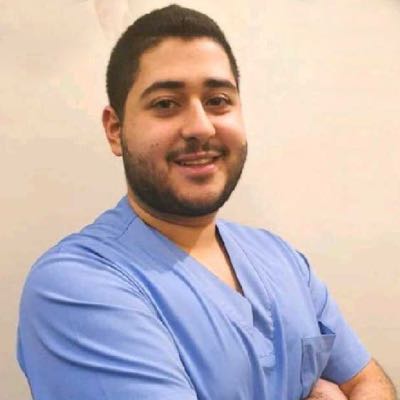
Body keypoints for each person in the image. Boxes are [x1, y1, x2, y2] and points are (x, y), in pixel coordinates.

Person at [17, 4, 396, 400]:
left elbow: (368, 381)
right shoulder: (76, 288)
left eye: (218, 100)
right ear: (116, 130)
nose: (201, 126)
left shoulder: (281, 259)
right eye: (166, 103)